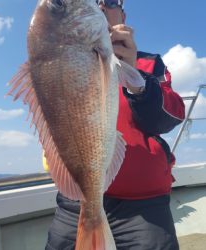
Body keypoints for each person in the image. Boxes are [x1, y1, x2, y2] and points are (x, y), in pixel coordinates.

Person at [45, 0, 185, 249]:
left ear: (122, 13)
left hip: (142, 206)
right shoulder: (59, 64)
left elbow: (170, 118)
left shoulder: (149, 64)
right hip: (75, 202)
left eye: (109, 1)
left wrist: (137, 78)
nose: (99, 6)